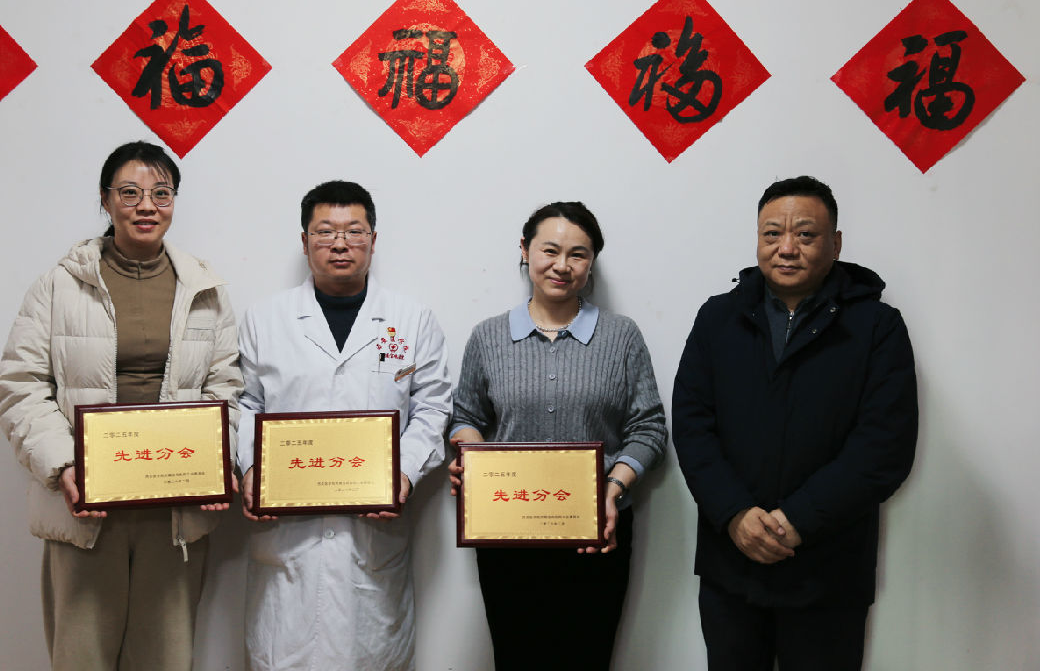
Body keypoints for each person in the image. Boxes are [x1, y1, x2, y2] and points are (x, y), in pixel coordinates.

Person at [0, 141, 243, 671]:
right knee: (82, 657)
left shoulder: (204, 287)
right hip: (87, 507)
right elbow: (21, 385)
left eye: (161, 193)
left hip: (174, 510)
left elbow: (225, 387)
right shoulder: (59, 285)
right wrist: (65, 467)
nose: (146, 206)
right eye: (129, 193)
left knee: (166, 657)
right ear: (105, 201)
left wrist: (219, 460)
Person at [672, 176, 918, 671]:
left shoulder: (876, 326)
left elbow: (884, 445)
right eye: (772, 234)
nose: (786, 248)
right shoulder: (718, 318)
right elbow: (692, 426)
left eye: (805, 235)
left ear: (836, 243)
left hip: (829, 568)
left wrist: (800, 519)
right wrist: (735, 513)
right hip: (731, 561)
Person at [235, 180, 452, 671]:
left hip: (371, 537)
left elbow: (433, 407)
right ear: (304, 241)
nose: (339, 244)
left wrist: (404, 474)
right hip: (287, 537)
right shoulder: (265, 319)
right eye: (325, 232)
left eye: (354, 231)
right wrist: (251, 469)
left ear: (373, 240)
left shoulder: (411, 320)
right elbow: (246, 404)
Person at [448, 201, 667, 671]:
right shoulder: (488, 337)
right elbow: (465, 415)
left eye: (578, 254)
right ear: (525, 250)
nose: (562, 265)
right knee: (516, 656)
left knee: (587, 656)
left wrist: (613, 488)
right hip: (507, 531)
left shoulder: (621, 336)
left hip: (597, 529)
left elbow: (648, 426)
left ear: (591, 262)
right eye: (550, 250)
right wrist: (473, 458)